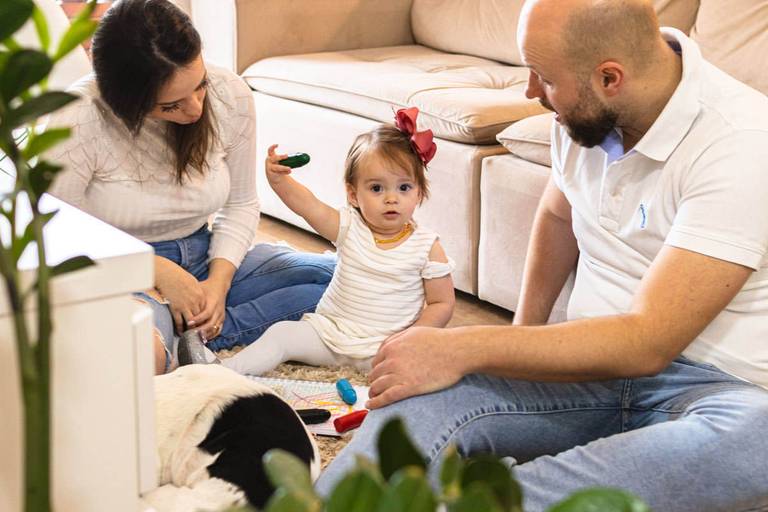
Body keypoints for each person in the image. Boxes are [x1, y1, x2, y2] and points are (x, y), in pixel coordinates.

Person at [317, 1, 768, 510]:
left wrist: (468, 346)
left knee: (756, 443)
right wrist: (522, 342)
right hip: (587, 364)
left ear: (610, 79)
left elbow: (647, 343)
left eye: (544, 77)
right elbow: (558, 217)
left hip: (716, 391)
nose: (531, 92)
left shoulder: (742, 143)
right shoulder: (584, 117)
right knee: (412, 392)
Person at [46, 0, 335, 374]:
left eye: (199, 86)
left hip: (205, 253)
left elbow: (243, 202)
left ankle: (196, 334)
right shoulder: (76, 117)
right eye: (171, 105)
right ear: (125, 99)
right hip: (126, 272)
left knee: (358, 280)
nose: (196, 109)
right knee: (134, 357)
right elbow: (58, 234)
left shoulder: (230, 93)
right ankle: (177, 330)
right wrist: (161, 273)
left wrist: (217, 283)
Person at [222, 108, 455, 375]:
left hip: (382, 348)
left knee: (424, 369)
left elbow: (441, 303)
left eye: (404, 188)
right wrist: (278, 181)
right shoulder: (348, 227)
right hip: (328, 334)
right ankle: (225, 372)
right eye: (377, 188)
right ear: (353, 195)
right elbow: (308, 206)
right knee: (282, 333)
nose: (392, 199)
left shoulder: (427, 246)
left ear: (419, 193)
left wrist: (411, 339)